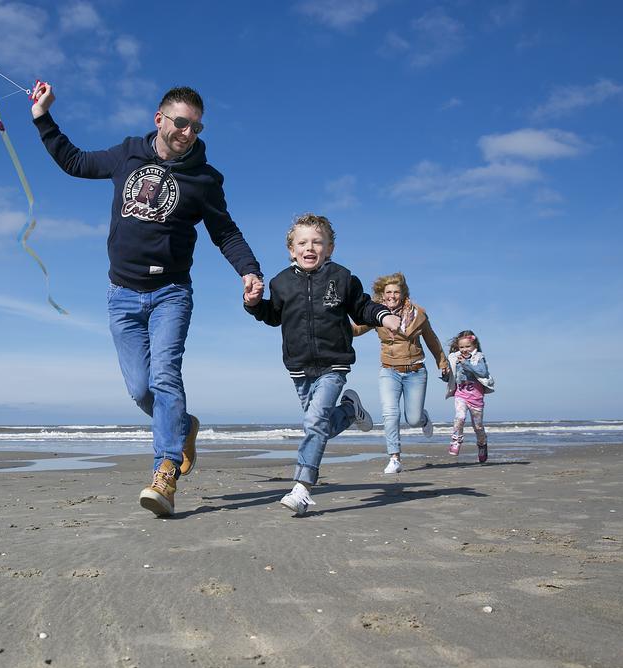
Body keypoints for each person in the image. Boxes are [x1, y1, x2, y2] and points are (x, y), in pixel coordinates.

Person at [30, 83, 264, 517]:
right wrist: (43, 117)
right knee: (140, 388)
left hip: (171, 293)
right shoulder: (126, 154)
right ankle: (183, 425)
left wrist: (249, 270)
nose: (187, 133)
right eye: (180, 123)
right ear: (159, 119)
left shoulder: (204, 179)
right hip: (122, 294)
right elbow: (75, 162)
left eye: (196, 126)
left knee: (164, 376)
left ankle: (166, 473)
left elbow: (225, 232)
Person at [244, 214, 400, 515]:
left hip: (334, 364)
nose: (310, 247)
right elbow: (272, 315)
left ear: (330, 248)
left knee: (314, 425)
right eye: (302, 242)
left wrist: (383, 315)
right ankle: (351, 410)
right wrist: (253, 304)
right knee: (320, 426)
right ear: (291, 249)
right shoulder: (280, 283)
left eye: (317, 241)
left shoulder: (342, 277)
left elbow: (362, 307)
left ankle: (302, 488)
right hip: (299, 368)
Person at [353, 273, 448, 474]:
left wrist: (442, 362)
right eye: (388, 292)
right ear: (382, 294)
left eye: (396, 292)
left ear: (403, 293)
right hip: (389, 370)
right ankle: (394, 457)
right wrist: (334, 319)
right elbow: (356, 330)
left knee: (412, 419)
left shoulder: (419, 314)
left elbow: (432, 340)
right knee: (390, 413)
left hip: (415, 371)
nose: (392, 296)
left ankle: (423, 418)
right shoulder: (377, 315)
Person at [445, 330, 494, 463]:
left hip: (476, 397)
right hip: (460, 394)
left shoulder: (479, 357)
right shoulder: (455, 357)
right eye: (461, 347)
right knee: (460, 417)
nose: (464, 349)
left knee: (477, 427)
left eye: (468, 346)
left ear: (474, 346)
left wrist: (466, 364)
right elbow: (451, 376)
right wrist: (445, 373)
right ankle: (456, 440)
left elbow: (483, 372)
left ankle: (482, 444)